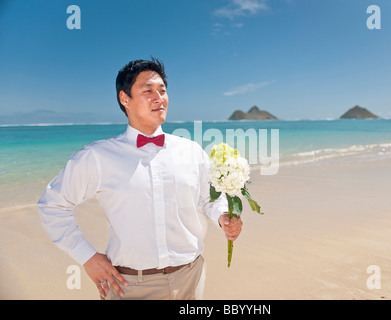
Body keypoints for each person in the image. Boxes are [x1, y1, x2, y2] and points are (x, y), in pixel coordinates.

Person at [37, 57, 243, 300]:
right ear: (125, 99)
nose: (159, 97)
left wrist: (222, 216)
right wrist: (87, 257)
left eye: (162, 91)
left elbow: (206, 198)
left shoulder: (191, 150)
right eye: (148, 91)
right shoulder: (98, 156)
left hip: (192, 276)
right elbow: (52, 204)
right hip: (131, 285)